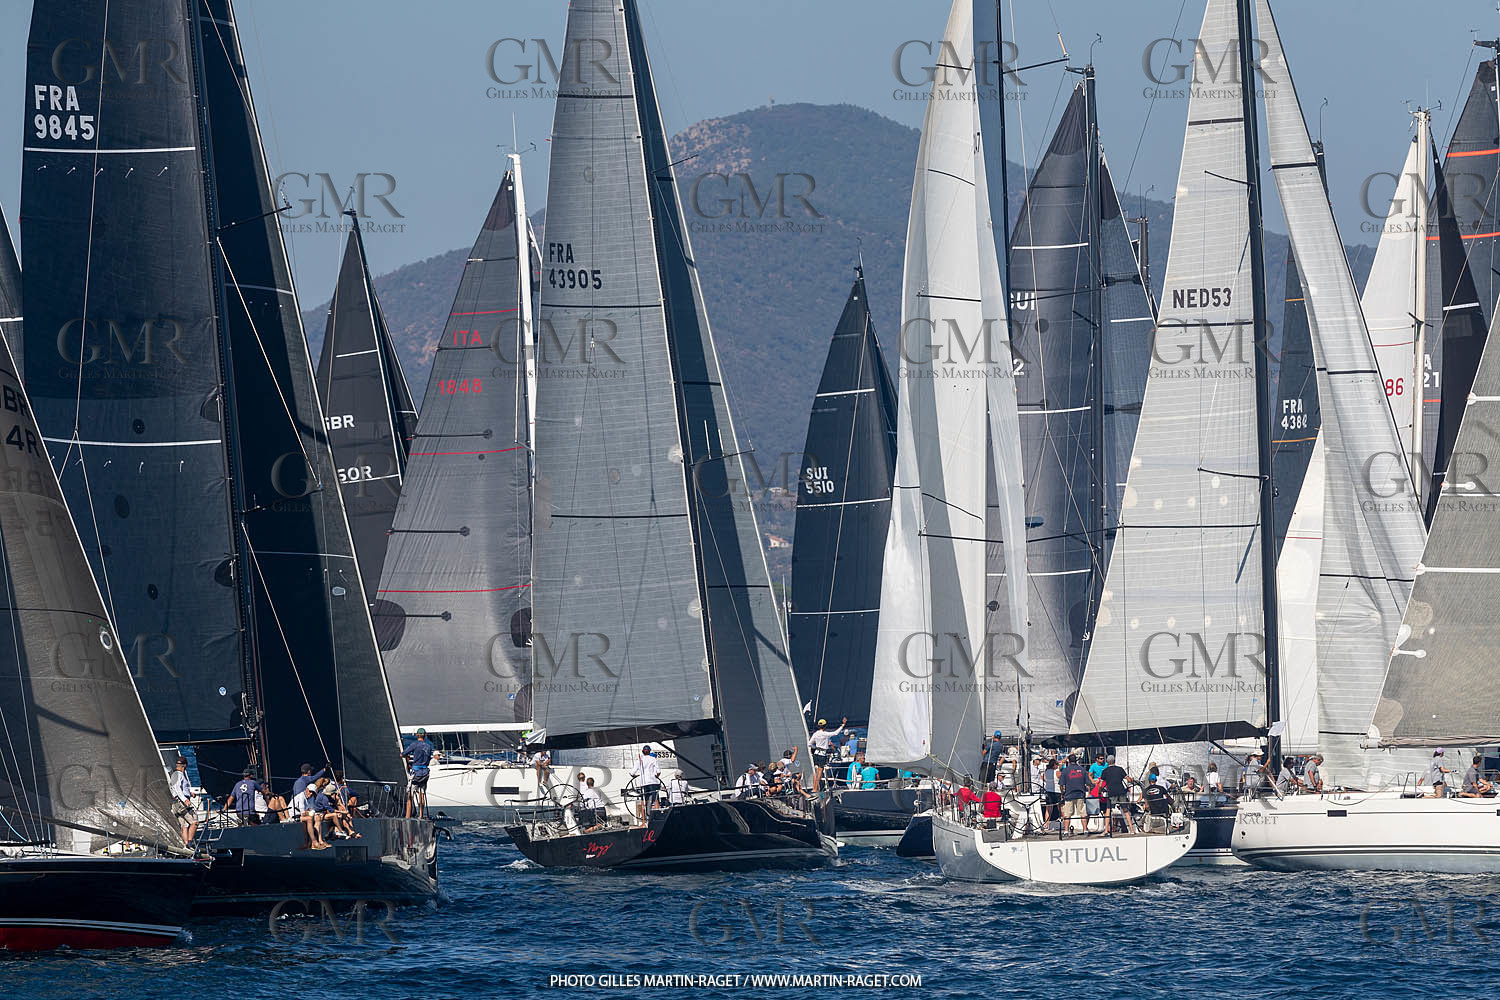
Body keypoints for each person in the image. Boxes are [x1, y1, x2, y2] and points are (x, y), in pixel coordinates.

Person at [403, 728, 440, 818]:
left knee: (410, 795)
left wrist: (407, 758)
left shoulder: (414, 744)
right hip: (425, 772)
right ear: (425, 735)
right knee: (422, 793)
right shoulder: (428, 746)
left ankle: (407, 817)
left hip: (416, 773)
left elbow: (403, 754)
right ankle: (420, 815)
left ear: (416, 735)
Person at [808, 717, 848, 792]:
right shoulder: (825, 734)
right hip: (822, 754)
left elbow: (809, 744)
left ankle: (814, 788)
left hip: (816, 753)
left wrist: (816, 747)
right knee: (820, 771)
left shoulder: (815, 734)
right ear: (825, 726)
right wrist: (842, 725)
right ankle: (816, 789)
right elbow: (835, 733)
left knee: (816, 771)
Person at [1100, 755, 1135, 834]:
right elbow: (1129, 780)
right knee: (1125, 810)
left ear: (1107, 762)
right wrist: (1131, 780)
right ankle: (1132, 830)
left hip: (1111, 792)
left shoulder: (1105, 771)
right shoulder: (1120, 769)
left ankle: (1106, 830)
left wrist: (1100, 791)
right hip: (1121, 791)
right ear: (1114, 761)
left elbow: (1100, 784)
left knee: (1108, 810)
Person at [1060, 754, 1091, 836]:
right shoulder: (1082, 769)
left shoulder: (1065, 770)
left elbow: (1061, 785)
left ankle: (1066, 831)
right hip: (1080, 794)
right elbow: (1088, 783)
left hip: (1069, 794)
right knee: (1083, 813)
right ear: (1076, 760)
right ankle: (1085, 830)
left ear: (1069, 761)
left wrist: (1062, 793)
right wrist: (1089, 792)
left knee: (1067, 814)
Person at [169, 757, 197, 845]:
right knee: (194, 822)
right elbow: (177, 788)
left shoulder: (174, 775)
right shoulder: (179, 774)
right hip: (181, 803)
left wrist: (190, 793)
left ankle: (186, 845)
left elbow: (177, 788)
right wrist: (185, 799)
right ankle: (190, 843)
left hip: (175, 804)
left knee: (184, 825)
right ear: (184, 766)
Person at [631, 745, 663, 820]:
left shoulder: (639, 760)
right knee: (654, 800)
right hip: (653, 782)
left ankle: (647, 817)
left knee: (645, 800)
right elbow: (658, 771)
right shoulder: (653, 759)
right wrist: (656, 776)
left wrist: (637, 775)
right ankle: (655, 816)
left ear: (643, 751)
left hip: (643, 783)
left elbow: (631, 773)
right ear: (649, 751)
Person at [297, 781, 329, 850]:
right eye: (310, 791)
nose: (311, 794)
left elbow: (312, 810)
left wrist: (312, 813)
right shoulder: (301, 796)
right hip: (295, 816)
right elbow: (302, 813)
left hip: (304, 816)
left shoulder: (311, 798)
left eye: (313, 793)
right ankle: (314, 843)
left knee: (317, 817)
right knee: (309, 818)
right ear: (306, 790)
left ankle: (320, 840)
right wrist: (310, 812)